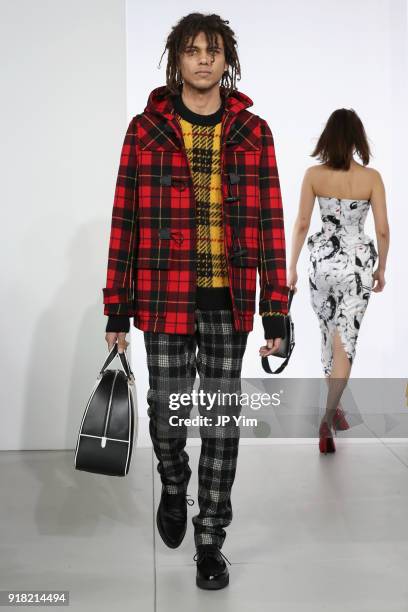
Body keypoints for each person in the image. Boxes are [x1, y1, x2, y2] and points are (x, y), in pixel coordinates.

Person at [103, 12, 289, 589]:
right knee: (166, 416)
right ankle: (174, 480)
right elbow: (125, 219)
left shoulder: (253, 131)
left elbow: (270, 223)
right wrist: (116, 306)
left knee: (221, 424)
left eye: (213, 50)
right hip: (161, 299)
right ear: (175, 60)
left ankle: (210, 537)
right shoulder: (145, 129)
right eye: (192, 50)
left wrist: (276, 310)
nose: (203, 59)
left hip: (229, 303)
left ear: (226, 60)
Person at [288, 108, 389, 453]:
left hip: (322, 263)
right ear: (358, 138)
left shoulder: (314, 174)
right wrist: (381, 269)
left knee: (329, 333)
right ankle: (327, 418)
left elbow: (302, 222)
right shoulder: (371, 178)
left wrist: (291, 268)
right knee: (346, 340)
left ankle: (335, 408)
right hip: (357, 264)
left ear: (328, 138)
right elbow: (383, 230)